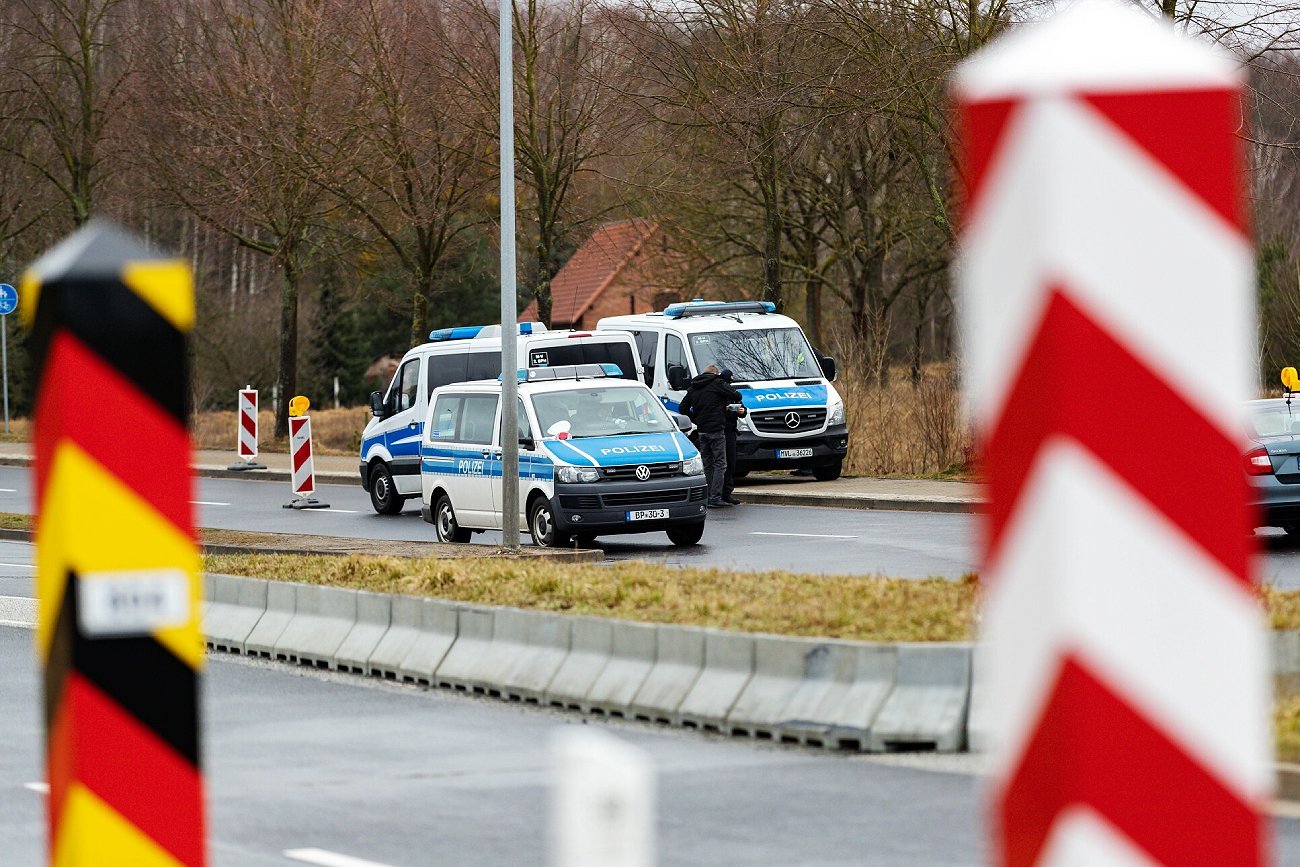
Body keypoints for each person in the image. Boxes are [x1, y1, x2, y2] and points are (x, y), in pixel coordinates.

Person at [679, 363, 741, 507]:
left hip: (702, 430)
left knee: (708, 464)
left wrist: (696, 419)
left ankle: (707, 496)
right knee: (720, 464)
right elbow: (736, 395)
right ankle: (715, 497)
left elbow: (683, 407)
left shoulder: (694, 386)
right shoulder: (717, 383)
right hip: (716, 429)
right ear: (716, 374)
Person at [719, 369, 743, 505]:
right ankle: (719, 493)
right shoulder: (718, 393)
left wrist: (741, 411)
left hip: (731, 432)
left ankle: (727, 493)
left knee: (731, 464)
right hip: (721, 430)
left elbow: (743, 410)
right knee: (721, 464)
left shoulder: (732, 394)